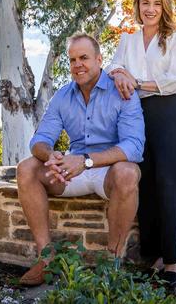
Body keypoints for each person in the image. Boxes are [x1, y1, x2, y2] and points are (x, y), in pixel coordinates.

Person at [16, 33, 145, 286]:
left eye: (84, 58)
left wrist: (85, 160)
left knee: (128, 172)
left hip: (108, 172)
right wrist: (50, 155)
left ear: (99, 59)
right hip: (71, 171)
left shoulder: (122, 92)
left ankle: (113, 262)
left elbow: (134, 146)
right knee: (27, 168)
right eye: (73, 59)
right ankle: (46, 259)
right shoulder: (62, 96)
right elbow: (39, 139)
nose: (78, 65)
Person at [105, 0, 176, 288]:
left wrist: (135, 81)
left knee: (168, 184)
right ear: (138, 7)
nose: (150, 8)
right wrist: (120, 72)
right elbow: (113, 66)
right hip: (135, 116)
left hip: (169, 113)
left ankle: (172, 262)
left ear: (163, 6)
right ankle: (153, 255)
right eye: (145, 3)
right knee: (145, 184)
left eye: (156, 3)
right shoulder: (127, 40)